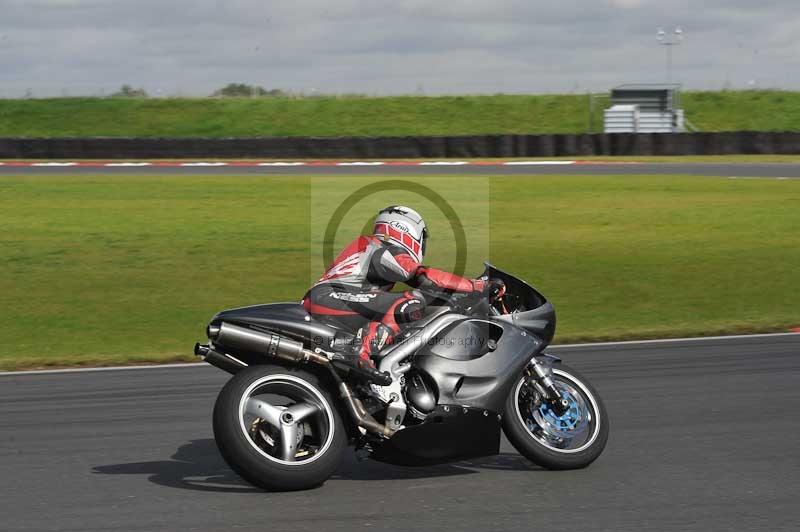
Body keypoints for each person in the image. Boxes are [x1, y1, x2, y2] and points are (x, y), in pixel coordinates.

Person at [302, 205, 504, 377]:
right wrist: (476, 286)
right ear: (408, 231)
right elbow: (423, 276)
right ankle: (361, 352)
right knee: (412, 302)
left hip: (327, 299)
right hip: (330, 297)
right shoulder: (380, 246)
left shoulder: (370, 247)